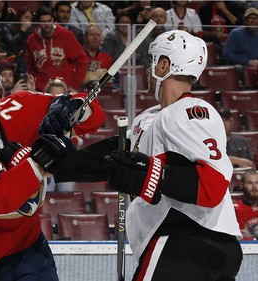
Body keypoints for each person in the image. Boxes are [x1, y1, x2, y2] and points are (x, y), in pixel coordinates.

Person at [0, 52, 104, 280]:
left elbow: (95, 118)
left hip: (28, 250)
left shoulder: (22, 105)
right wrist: (38, 163)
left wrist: (73, 107)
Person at [101, 30, 242, 279]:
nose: (147, 69)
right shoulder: (151, 118)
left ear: (164, 65)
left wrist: (150, 176)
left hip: (186, 242)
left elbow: (211, 186)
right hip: (211, 248)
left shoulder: (190, 110)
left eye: (152, 61)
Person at [25, 6, 88, 92]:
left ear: (54, 20)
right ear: (38, 23)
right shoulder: (32, 39)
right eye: (43, 22)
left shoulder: (66, 35)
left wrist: (75, 85)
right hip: (41, 90)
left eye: (49, 21)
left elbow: (82, 60)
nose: (47, 24)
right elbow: (29, 65)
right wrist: (34, 86)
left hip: (64, 89)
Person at [234, 170, 258, 240]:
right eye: (250, 183)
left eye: (257, 183)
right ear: (242, 184)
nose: (254, 187)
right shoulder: (235, 209)